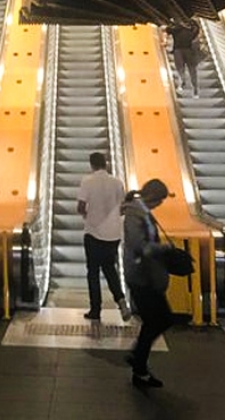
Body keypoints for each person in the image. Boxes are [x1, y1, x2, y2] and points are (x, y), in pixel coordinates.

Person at [123, 178, 176, 389]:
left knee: (156, 320)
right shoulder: (135, 213)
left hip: (146, 275)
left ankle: (139, 365)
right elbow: (139, 246)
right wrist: (162, 249)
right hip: (140, 275)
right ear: (152, 196)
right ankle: (138, 360)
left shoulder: (142, 211)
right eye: (160, 200)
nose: (160, 205)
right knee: (161, 319)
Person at [78, 152, 130, 322]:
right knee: (109, 269)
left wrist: (87, 216)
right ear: (106, 164)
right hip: (113, 235)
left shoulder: (87, 181)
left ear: (91, 165)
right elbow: (123, 208)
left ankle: (95, 309)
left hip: (93, 233)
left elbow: (80, 206)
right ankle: (121, 300)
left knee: (93, 272)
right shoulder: (117, 182)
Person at [165, 19, 201, 97]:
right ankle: (185, 83)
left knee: (187, 69)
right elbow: (168, 30)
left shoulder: (187, 24)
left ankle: (191, 86)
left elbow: (168, 30)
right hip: (183, 50)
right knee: (185, 69)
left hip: (184, 50)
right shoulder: (179, 24)